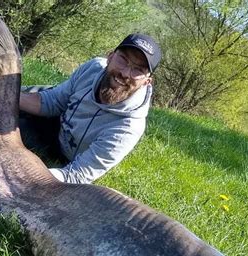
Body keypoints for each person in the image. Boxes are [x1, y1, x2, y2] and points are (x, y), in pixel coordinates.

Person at [19, 33, 162, 184]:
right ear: (110, 57)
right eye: (123, 60)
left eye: (138, 70)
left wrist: (25, 178)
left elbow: (76, 175)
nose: (125, 73)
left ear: (147, 82)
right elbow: (53, 101)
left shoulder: (127, 128)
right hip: (56, 120)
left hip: (65, 158)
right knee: (8, 98)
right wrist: (8, 97)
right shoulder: (93, 68)